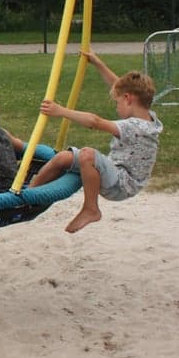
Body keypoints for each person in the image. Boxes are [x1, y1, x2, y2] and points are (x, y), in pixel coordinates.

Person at [28, 50, 163, 233]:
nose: (116, 107)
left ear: (128, 99)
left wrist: (61, 111)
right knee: (62, 158)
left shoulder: (135, 127)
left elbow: (94, 122)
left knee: (87, 155)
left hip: (122, 184)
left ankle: (91, 209)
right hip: (115, 173)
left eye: (117, 102)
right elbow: (119, 86)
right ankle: (28, 194)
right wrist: (97, 62)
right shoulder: (147, 115)